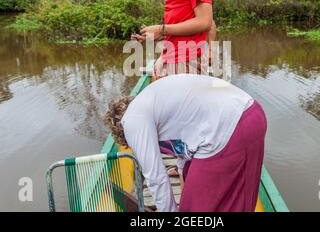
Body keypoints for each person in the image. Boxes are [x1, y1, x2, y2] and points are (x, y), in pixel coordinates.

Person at [104, 74, 267, 212]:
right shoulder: (152, 100)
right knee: (239, 199)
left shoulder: (131, 121)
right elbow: (184, 143)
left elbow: (156, 178)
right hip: (253, 115)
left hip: (230, 126)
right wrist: (184, 177)